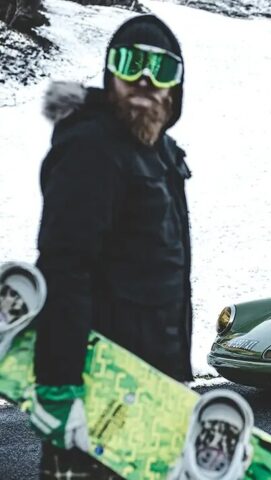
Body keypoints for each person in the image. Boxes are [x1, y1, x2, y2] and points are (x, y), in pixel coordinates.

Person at [32, 14, 193, 479]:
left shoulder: (162, 153)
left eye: (161, 69)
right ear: (110, 75)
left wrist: (175, 383)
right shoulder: (92, 147)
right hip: (98, 391)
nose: (144, 78)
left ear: (176, 89)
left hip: (149, 387)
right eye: (130, 63)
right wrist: (58, 385)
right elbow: (64, 266)